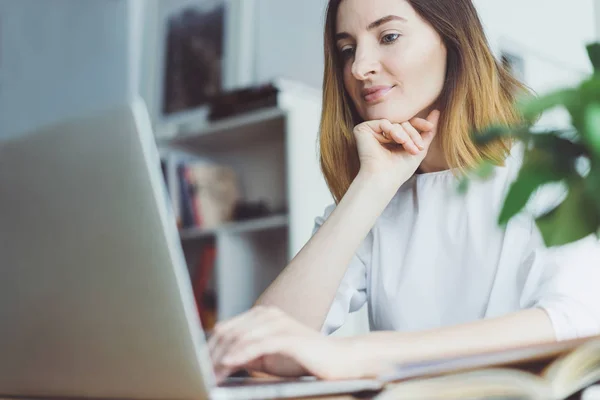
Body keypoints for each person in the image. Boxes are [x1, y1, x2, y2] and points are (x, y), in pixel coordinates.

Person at [207, 0, 600, 382]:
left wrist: (363, 353)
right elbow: (263, 354)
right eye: (347, 50)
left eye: (389, 36)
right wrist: (371, 185)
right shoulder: (373, 197)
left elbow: (577, 321)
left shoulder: (547, 169)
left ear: (453, 39)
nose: (360, 67)